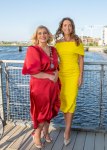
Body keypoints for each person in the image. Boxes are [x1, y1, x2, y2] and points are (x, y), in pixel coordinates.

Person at [22, 25, 60, 148]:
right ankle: (36, 134)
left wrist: (56, 74)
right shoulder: (33, 50)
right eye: (40, 33)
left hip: (53, 85)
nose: (42, 35)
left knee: (50, 110)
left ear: (48, 35)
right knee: (42, 112)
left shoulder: (53, 50)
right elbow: (33, 71)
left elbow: (56, 65)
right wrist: (49, 76)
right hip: (39, 86)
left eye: (45, 33)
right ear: (36, 36)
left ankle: (46, 132)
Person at [55, 17, 84, 146]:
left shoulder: (77, 41)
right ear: (61, 27)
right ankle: (67, 127)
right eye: (65, 25)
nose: (67, 27)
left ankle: (67, 131)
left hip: (73, 75)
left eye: (69, 25)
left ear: (72, 27)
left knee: (71, 101)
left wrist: (80, 76)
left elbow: (81, 60)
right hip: (61, 75)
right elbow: (54, 60)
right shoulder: (58, 43)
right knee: (64, 101)